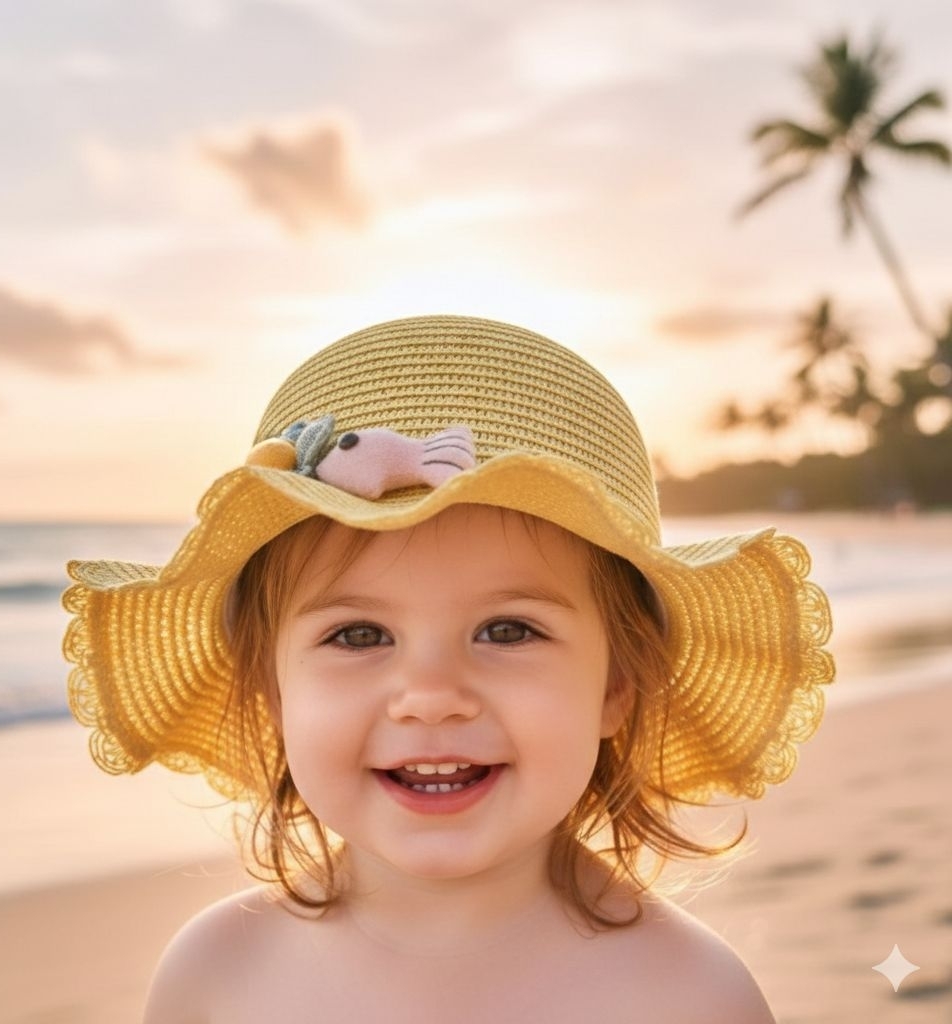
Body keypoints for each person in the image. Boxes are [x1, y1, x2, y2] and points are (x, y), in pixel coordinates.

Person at [63, 315, 834, 1023]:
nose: (431, 697)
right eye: (359, 634)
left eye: (508, 630)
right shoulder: (213, 978)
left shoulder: (692, 997)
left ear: (616, 685)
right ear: (272, 689)